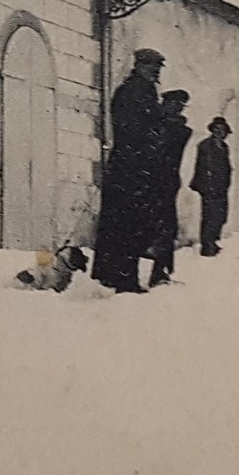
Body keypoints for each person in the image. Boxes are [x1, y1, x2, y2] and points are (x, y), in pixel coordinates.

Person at [92, 48, 165, 293]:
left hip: (132, 166)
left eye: (157, 67)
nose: (155, 71)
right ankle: (123, 279)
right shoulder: (135, 92)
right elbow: (135, 131)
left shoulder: (141, 91)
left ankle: (117, 276)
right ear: (140, 66)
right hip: (131, 167)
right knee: (127, 224)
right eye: (151, 67)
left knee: (126, 224)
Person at [147, 89, 192, 287]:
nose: (174, 109)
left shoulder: (178, 130)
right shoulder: (165, 127)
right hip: (156, 183)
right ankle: (159, 270)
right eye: (173, 105)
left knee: (165, 228)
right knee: (159, 228)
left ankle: (160, 270)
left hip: (162, 183)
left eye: (178, 106)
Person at [190, 116, 233, 257]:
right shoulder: (205, 146)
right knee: (210, 216)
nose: (221, 133)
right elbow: (204, 167)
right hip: (210, 187)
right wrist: (206, 186)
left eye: (223, 130)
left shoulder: (224, 147)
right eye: (218, 129)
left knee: (220, 216)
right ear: (213, 130)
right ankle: (207, 246)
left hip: (221, 187)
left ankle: (213, 241)